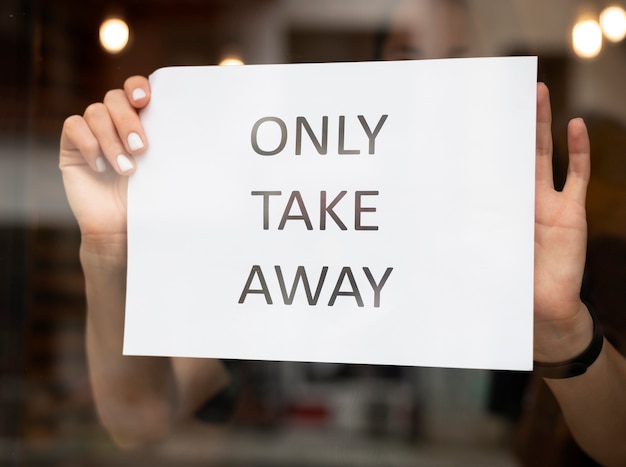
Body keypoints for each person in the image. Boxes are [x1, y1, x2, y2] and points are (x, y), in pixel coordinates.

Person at [59, 0, 626, 464]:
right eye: (410, 56)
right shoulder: (276, 221)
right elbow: (140, 420)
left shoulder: (533, 233)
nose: (433, 84)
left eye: (458, 60)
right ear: (369, 74)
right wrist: (108, 252)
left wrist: (563, 334)